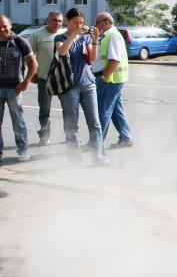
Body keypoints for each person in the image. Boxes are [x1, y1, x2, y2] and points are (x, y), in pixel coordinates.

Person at [55, 8, 107, 165]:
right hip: (69, 87)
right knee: (71, 125)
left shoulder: (85, 38)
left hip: (88, 83)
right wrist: (74, 35)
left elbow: (92, 59)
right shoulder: (60, 38)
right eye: (75, 23)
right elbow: (62, 52)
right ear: (67, 21)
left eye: (81, 23)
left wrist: (95, 40)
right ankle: (74, 160)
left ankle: (99, 157)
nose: (79, 25)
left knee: (95, 123)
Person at [93, 12, 133, 148]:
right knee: (116, 110)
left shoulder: (112, 35)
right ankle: (126, 137)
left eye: (97, 22)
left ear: (106, 22)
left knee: (103, 111)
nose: (95, 25)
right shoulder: (106, 34)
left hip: (110, 80)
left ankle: (96, 143)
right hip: (111, 79)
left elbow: (115, 59)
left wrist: (105, 75)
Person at [0, 14, 37, 162]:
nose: (2, 29)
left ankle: (23, 151)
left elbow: (33, 64)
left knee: (18, 122)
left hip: (14, 89)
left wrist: (26, 82)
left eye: (4, 26)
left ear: (10, 26)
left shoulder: (20, 41)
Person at [29, 10, 64, 145]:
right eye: (54, 20)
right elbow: (29, 56)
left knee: (68, 108)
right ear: (47, 21)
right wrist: (32, 74)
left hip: (63, 78)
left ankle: (71, 135)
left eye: (60, 21)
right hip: (44, 78)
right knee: (44, 109)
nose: (57, 23)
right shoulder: (36, 34)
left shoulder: (65, 34)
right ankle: (44, 136)